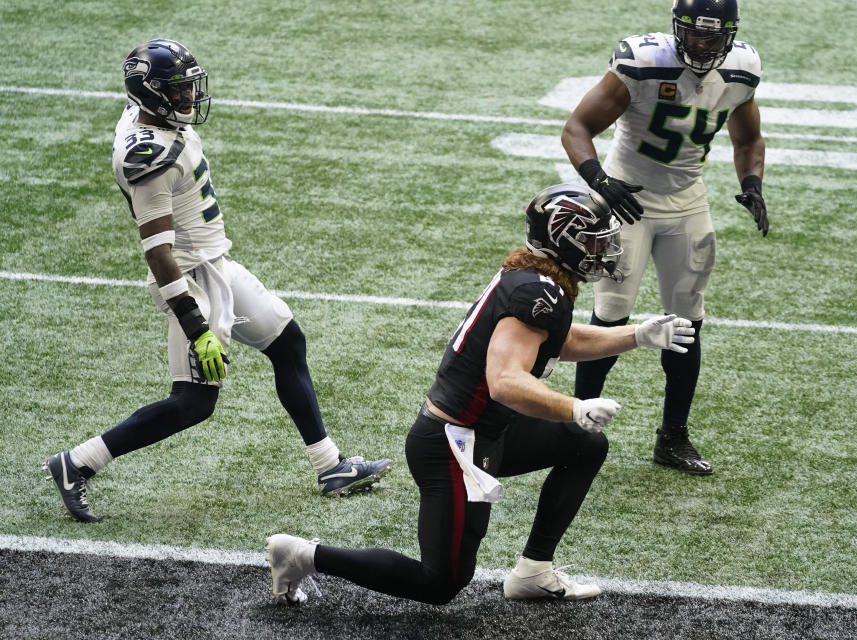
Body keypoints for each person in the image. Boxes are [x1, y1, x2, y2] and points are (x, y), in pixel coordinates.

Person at [265, 184, 695, 605]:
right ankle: (303, 555)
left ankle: (534, 571)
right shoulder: (537, 292)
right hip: (452, 444)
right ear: (564, 241)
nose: (605, 250)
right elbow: (505, 382)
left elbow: (556, 342)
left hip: (486, 431)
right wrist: (574, 406)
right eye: (593, 241)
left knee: (585, 444)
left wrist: (636, 336)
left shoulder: (538, 280)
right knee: (440, 583)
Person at [43, 39, 392, 523]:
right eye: (177, 90)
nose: (188, 98)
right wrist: (195, 325)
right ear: (151, 93)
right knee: (194, 402)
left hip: (216, 265)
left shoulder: (146, 115)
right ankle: (78, 462)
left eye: (189, 87)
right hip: (192, 280)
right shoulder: (149, 159)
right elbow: (158, 251)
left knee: (288, 343)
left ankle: (330, 466)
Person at [561, 0, 768, 476]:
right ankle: (577, 425)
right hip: (625, 197)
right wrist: (601, 181)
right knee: (611, 314)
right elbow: (578, 127)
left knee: (687, 320)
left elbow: (748, 138)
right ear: (677, 29)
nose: (700, 44)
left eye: (711, 37)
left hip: (687, 200)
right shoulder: (642, 61)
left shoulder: (742, 71)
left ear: (730, 35)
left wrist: (751, 184)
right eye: (693, 34)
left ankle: (672, 437)